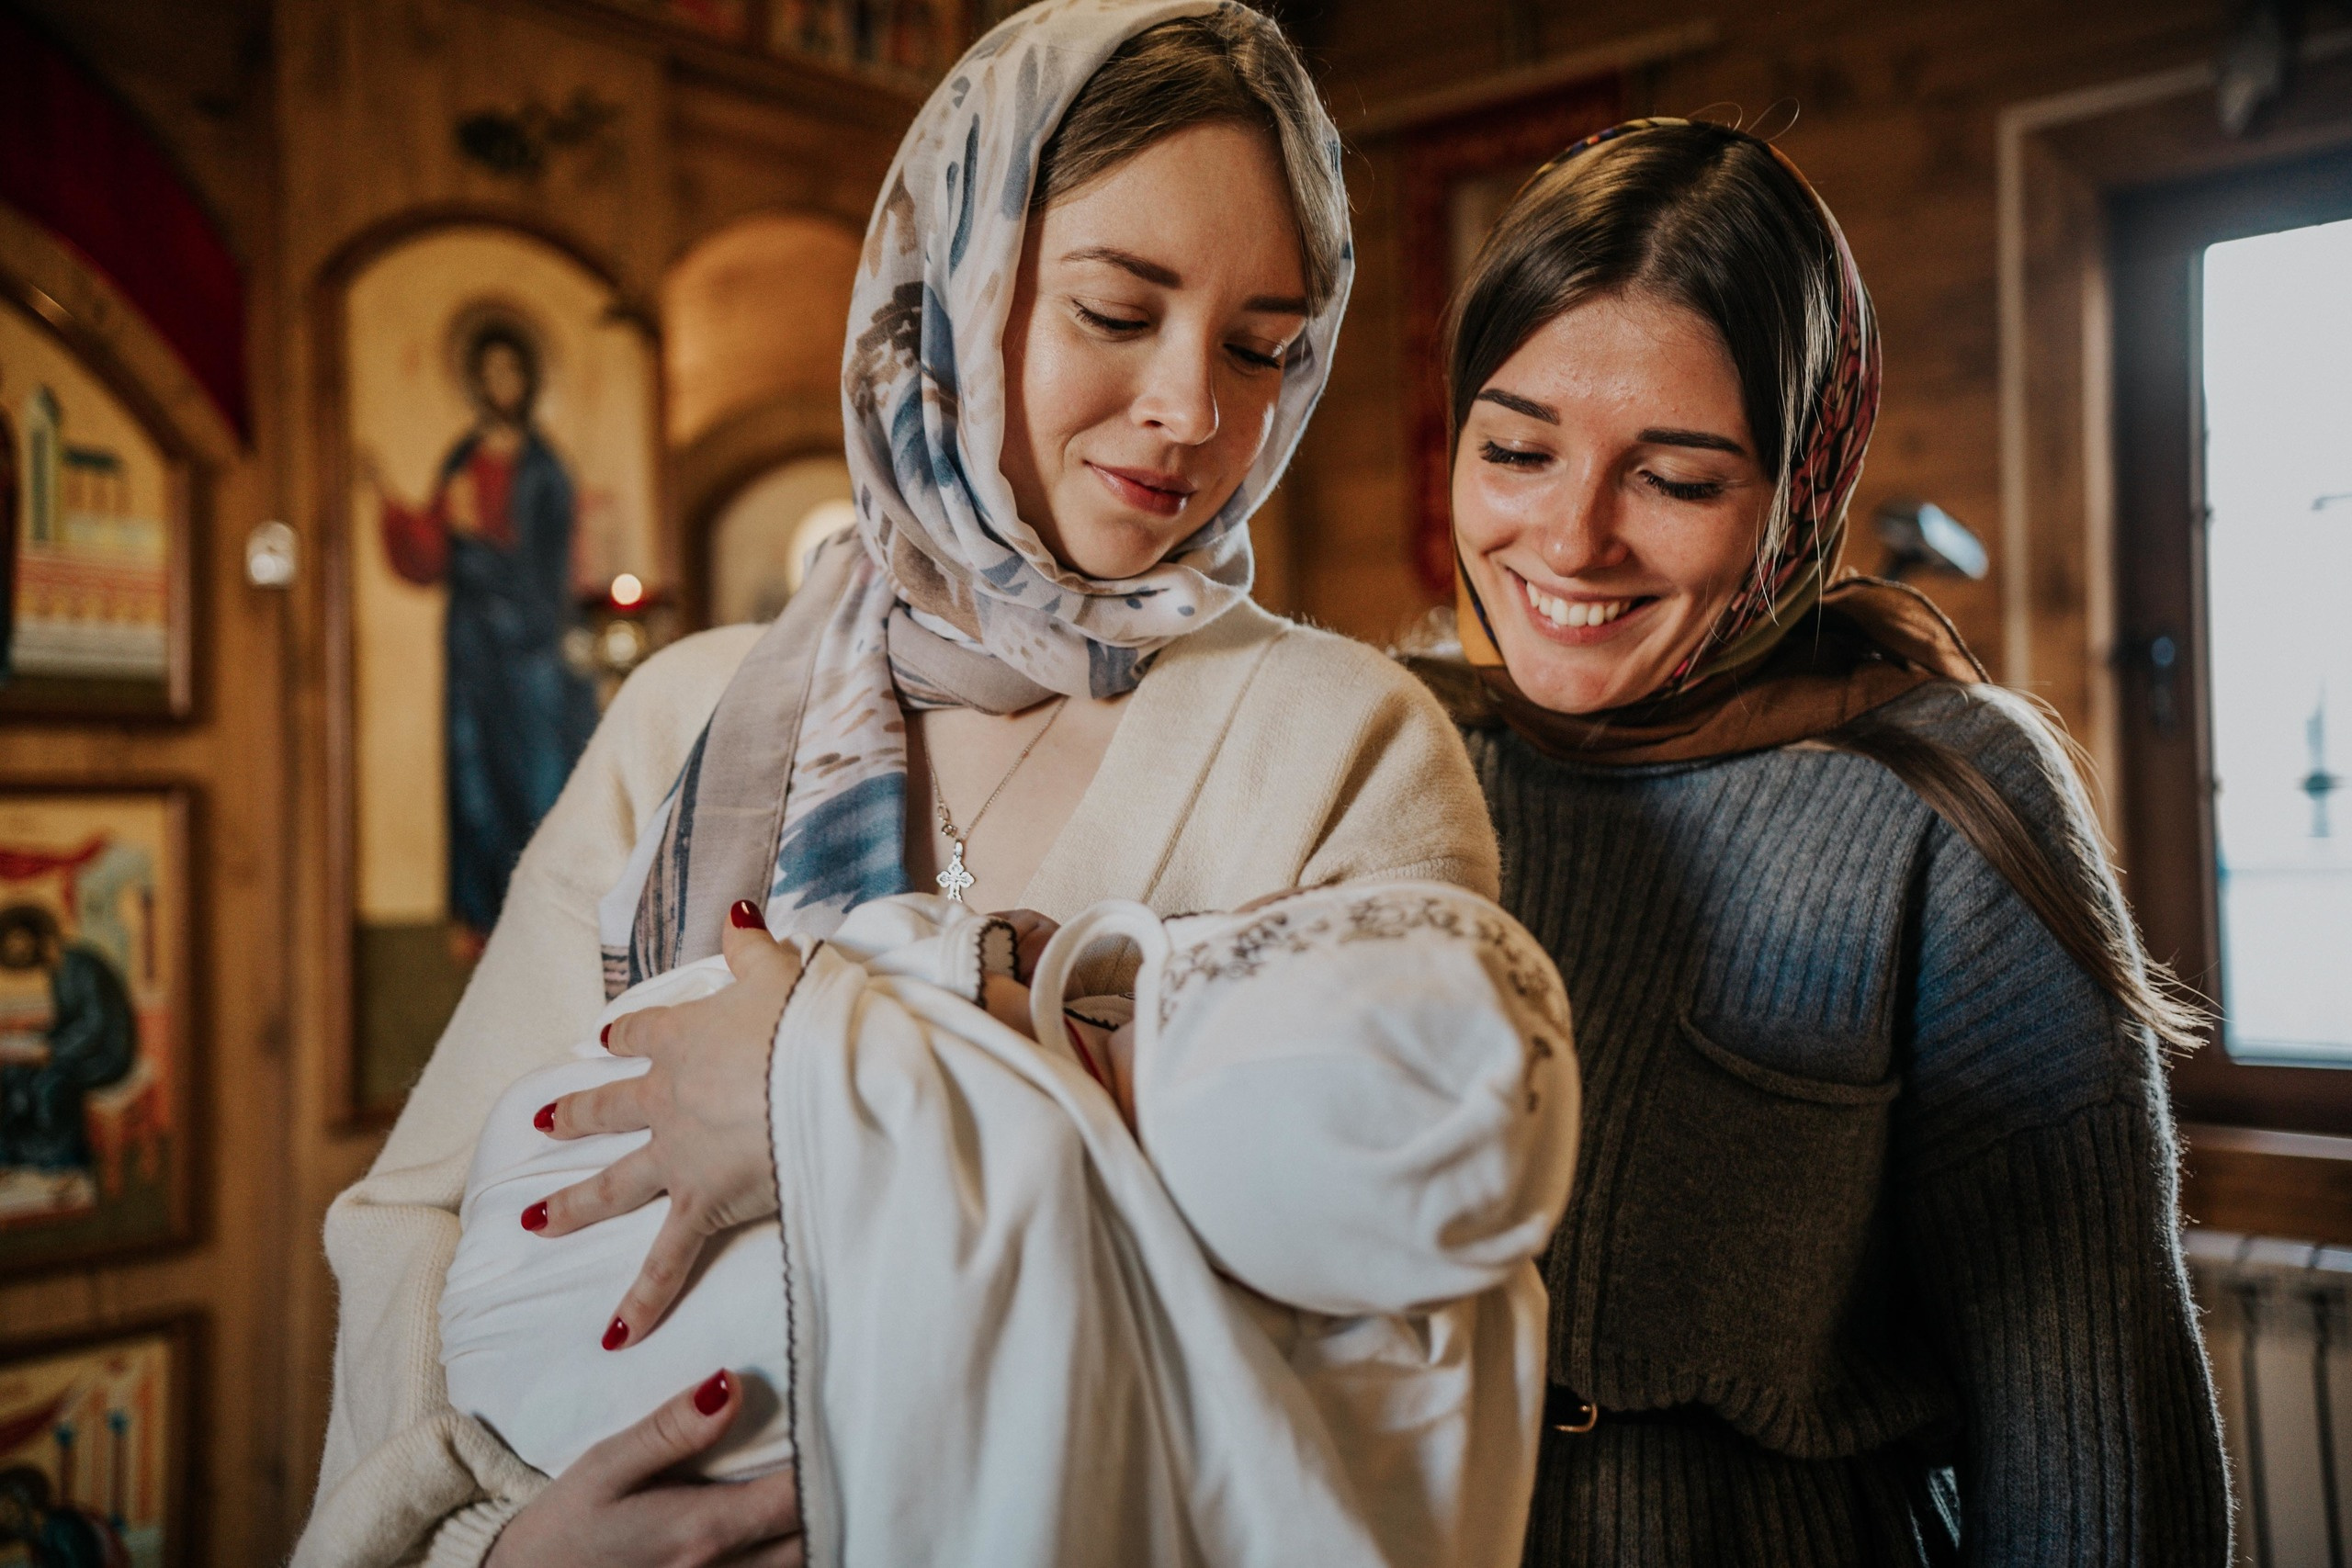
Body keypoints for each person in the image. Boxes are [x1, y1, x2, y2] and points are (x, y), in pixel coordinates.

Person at [297, 7, 1498, 1567]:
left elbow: (1407, 1350)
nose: (1195, 410)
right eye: (1118, 311)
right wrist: (496, 1552)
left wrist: (828, 1093)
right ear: (955, 287)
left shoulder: (1343, 748)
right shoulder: (691, 715)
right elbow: (425, 1218)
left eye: (1264, 347)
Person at [1411, 118, 2231, 1564]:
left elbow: (2092, 1443)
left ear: (1802, 488)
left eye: (1673, 478)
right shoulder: (1384, 750)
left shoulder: (1942, 803)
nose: (1572, 536)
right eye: (1519, 448)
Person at [439, 882, 1577, 1567]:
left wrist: (892, 1040)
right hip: (507, 1415)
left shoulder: (1345, 744)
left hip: (565, 1391)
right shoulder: (691, 707)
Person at [369, 321, 600, 956]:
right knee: (475, 777)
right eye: (490, 372)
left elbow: (546, 573)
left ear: (527, 380)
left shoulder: (545, 470)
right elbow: (432, 551)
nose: (502, 384)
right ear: (477, 382)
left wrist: (477, 544)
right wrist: (397, 511)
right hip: (474, 647)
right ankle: (481, 916)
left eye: (513, 371)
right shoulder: (462, 457)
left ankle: (550, 915)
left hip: (533, 650)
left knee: (537, 777)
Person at [0, 904, 136, 1175]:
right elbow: (67, 1021)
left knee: (48, 1083)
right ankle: (16, 1154)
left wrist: (52, 1050)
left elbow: (95, 1026)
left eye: (21, 943)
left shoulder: (83, 964)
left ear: (37, 935)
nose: (18, 951)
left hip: (108, 1055)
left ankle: (62, 1162)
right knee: (13, 1074)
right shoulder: (57, 971)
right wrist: (34, 1036)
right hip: (80, 1050)